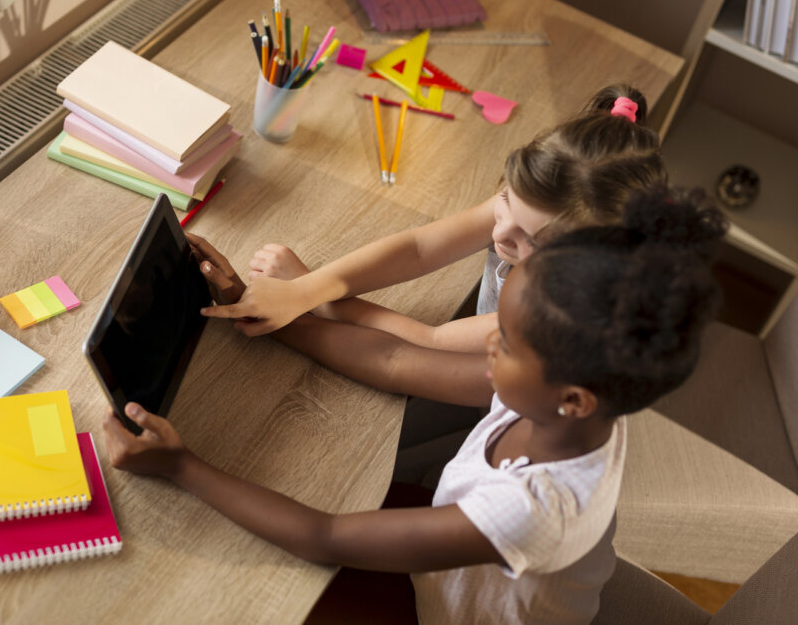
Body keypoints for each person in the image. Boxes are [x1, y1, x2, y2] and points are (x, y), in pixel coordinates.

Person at [102, 188, 727, 624]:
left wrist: (182, 466)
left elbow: (325, 535)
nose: (486, 345)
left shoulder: (530, 510)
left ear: (571, 396)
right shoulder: (579, 405)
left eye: (504, 342)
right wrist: (263, 305)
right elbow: (393, 362)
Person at [200, 84, 666, 355]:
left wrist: (308, 292)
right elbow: (419, 249)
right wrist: (308, 288)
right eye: (503, 200)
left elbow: (429, 340)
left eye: (530, 242)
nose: (500, 231)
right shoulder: (533, 208)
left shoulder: (560, 307)